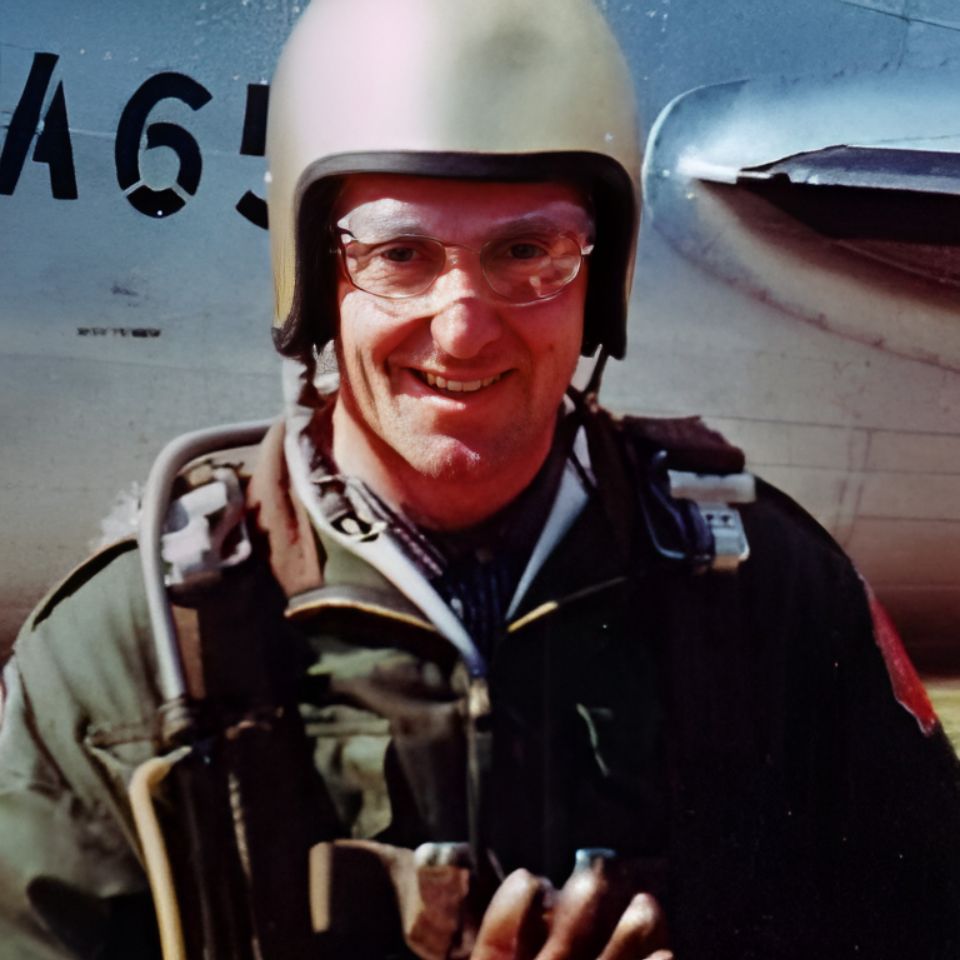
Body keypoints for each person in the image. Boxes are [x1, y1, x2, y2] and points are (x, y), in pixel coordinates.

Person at [2, 1, 959, 958]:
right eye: (400, 255)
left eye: (527, 253)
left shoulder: (774, 600)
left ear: (600, 278)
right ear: (313, 277)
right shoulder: (126, 657)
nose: (463, 327)